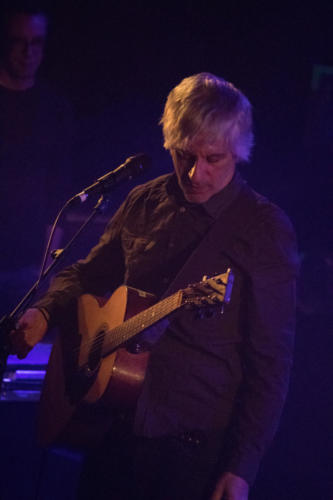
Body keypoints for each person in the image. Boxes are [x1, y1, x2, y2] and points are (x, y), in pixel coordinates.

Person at [10, 72, 299, 500]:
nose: (195, 173)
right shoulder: (145, 200)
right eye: (183, 155)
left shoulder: (264, 230)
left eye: (213, 158)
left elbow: (271, 365)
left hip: (190, 452)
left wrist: (242, 467)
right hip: (110, 432)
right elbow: (88, 274)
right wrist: (46, 310)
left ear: (239, 152)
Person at [0, 1, 75, 316]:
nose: (28, 52)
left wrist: (46, 267)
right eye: (19, 42)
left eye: (36, 43)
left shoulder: (55, 110)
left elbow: (59, 196)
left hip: (27, 267)